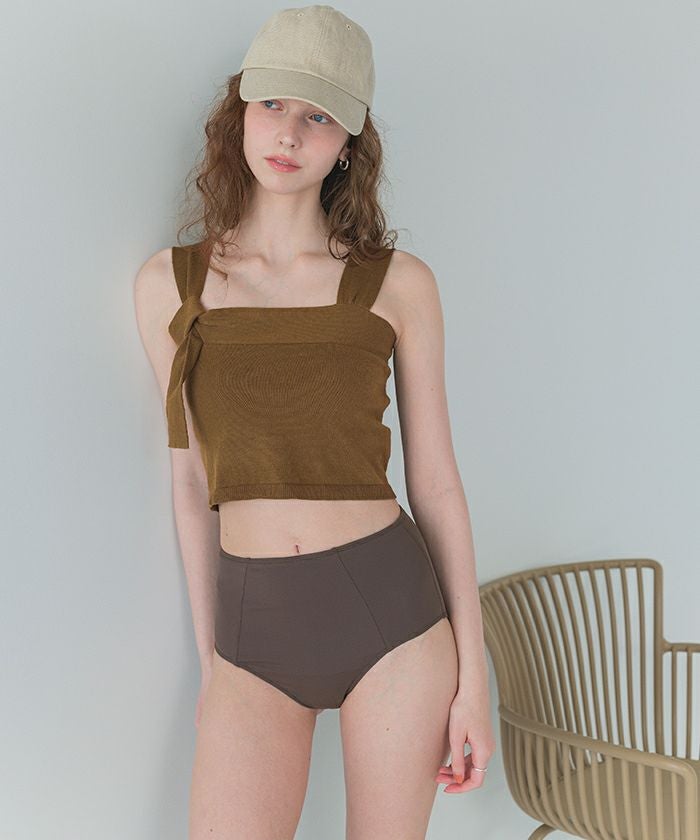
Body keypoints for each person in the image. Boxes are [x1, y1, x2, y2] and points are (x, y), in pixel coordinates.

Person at [134, 4, 495, 837]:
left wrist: (473, 680)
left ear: (349, 144)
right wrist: (213, 660)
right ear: (240, 112)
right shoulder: (169, 286)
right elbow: (190, 483)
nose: (289, 134)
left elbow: (436, 484)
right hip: (252, 634)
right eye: (272, 104)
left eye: (318, 116)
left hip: (393, 622)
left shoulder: (399, 284)